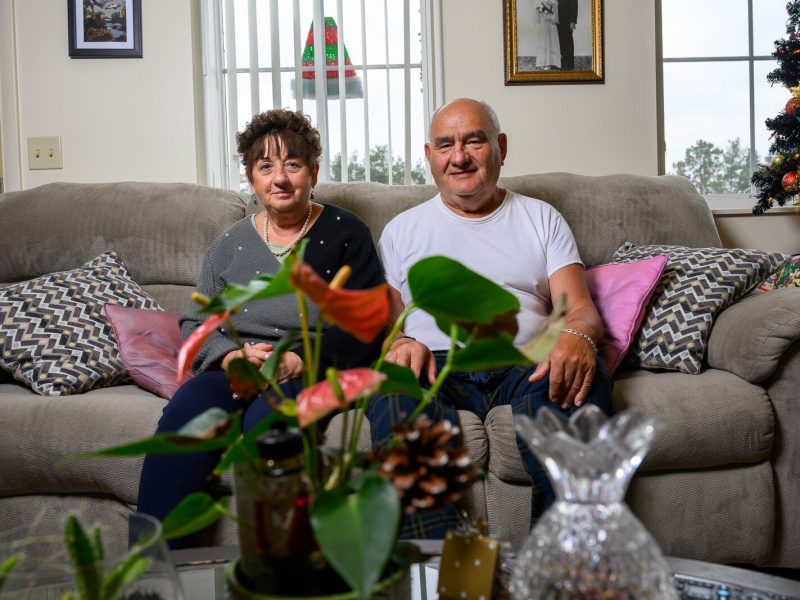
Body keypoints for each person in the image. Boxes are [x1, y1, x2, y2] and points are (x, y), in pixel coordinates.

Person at [366, 98, 612, 538]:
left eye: (474, 142)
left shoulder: (541, 217)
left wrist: (578, 335)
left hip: (525, 361)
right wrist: (399, 342)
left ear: (501, 147)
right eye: (445, 145)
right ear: (429, 156)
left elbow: (579, 308)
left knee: (582, 382)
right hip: (436, 365)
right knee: (392, 392)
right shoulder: (401, 230)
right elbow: (388, 324)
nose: (459, 157)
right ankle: (434, 561)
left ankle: (562, 559)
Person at [137, 109, 385, 541]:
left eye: (293, 164)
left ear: (313, 172)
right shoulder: (229, 243)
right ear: (251, 179)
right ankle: (154, 566)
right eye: (265, 167)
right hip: (238, 366)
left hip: (309, 367)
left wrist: (295, 361)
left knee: (268, 424)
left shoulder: (347, 232)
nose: (280, 179)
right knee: (186, 414)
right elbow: (197, 320)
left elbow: (368, 324)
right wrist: (232, 356)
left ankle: (277, 564)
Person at [535, 0, 561, 70]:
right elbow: (538, 9)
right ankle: (542, 62)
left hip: (551, 22)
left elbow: (555, 9)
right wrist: (540, 9)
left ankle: (552, 62)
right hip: (544, 22)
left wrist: (550, 12)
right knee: (544, 40)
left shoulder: (554, 1)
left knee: (551, 40)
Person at [557, 0, 578, 71]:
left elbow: (574, 5)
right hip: (557, 20)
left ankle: (569, 66)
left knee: (568, 42)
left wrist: (573, 21)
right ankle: (562, 64)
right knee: (560, 43)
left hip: (567, 20)